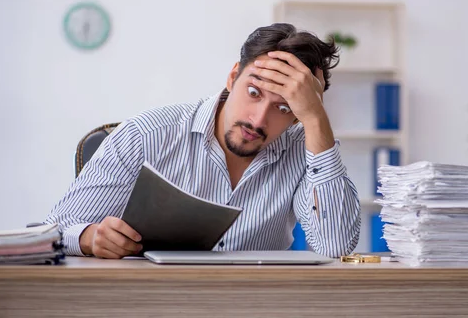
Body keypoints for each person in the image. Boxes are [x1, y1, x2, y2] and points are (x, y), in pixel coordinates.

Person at [45, 23, 361, 259]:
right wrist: (89, 237)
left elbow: (335, 247)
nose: (258, 120)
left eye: (284, 107)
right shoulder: (146, 135)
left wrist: (317, 121)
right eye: (253, 93)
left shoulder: (304, 150)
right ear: (233, 76)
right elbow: (53, 230)